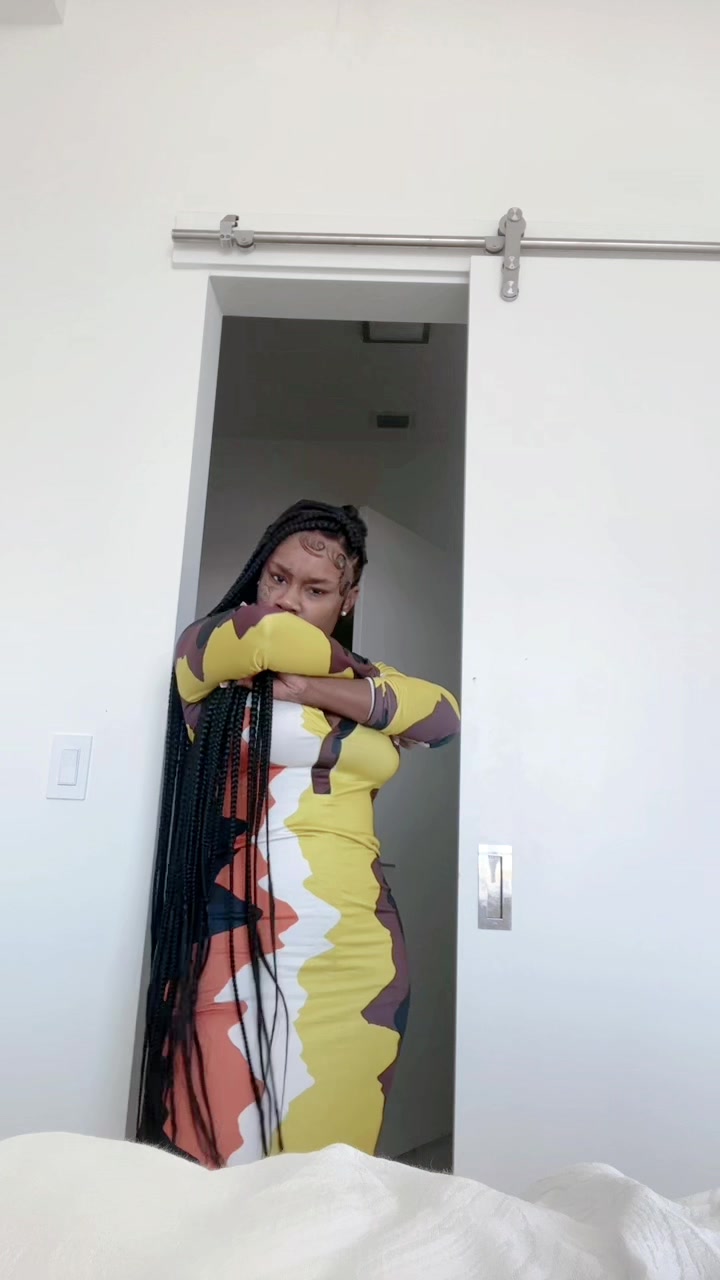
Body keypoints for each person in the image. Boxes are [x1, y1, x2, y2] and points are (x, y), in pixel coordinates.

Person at [137, 500, 460, 1169]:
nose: (287, 600)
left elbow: (444, 716)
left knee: (329, 1175)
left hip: (359, 946)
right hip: (235, 938)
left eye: (316, 590)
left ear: (349, 600)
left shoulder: (335, 677)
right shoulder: (212, 651)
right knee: (216, 1163)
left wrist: (315, 690)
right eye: (277, 578)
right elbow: (270, 638)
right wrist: (372, 700)